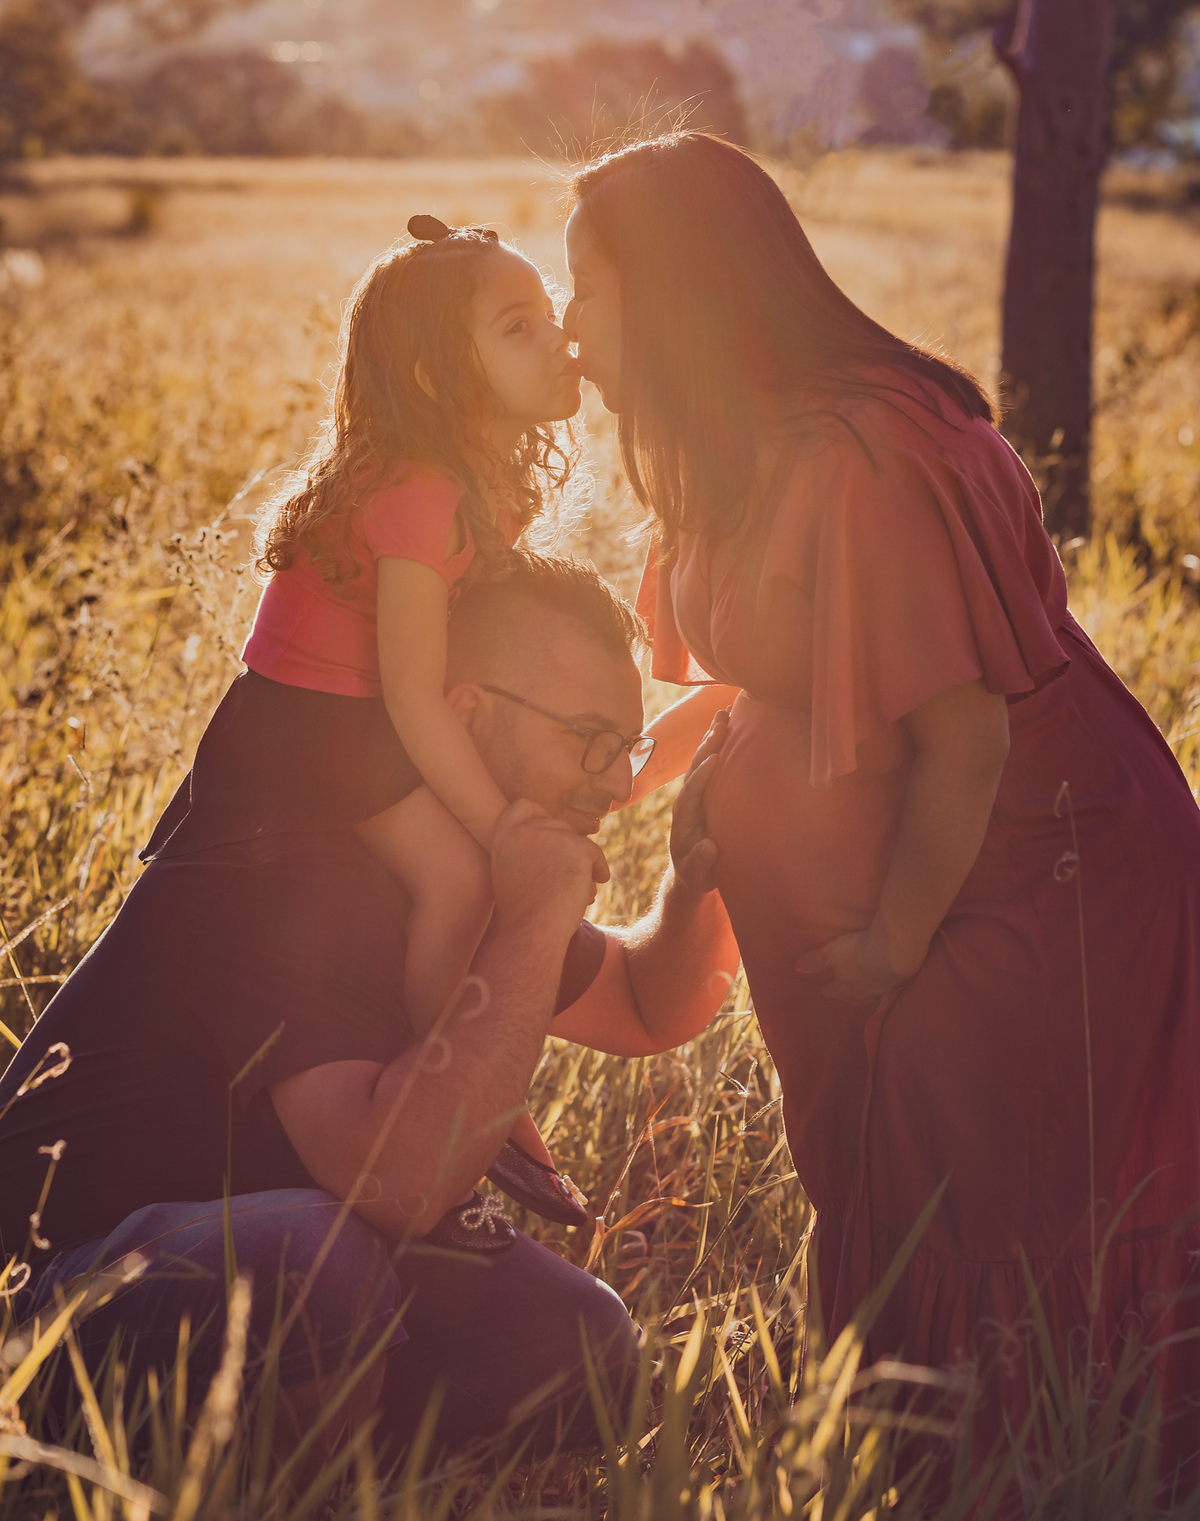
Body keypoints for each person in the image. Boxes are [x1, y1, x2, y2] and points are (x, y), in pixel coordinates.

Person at [564, 130, 1200, 1476]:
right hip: (920, 886)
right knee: (915, 1191)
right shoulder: (742, 444)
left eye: (588, 289)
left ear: (674, 298)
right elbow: (790, 668)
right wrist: (631, 774)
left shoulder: (867, 456)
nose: (569, 326)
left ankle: (1035, 1466)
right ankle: (928, 1456)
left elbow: (962, 735)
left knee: (993, 1202)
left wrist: (892, 945)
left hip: (1022, 875)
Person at [0, 552, 741, 1465]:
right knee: (318, 1265)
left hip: (282, 1254)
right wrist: (537, 920)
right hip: (50, 1282)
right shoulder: (293, 858)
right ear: (463, 712)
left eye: (626, 746)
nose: (615, 783)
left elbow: (645, 1007)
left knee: (585, 1343)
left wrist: (700, 873)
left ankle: (295, 1423)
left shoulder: (464, 862)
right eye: (588, 738)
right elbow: (397, 1184)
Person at [148, 213, 592, 1222]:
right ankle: (447, 1087)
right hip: (305, 732)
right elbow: (410, 697)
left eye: (553, 312)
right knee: (460, 878)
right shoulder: (422, 493)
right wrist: (502, 829)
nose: (561, 337)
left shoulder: (483, 477)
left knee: (460, 872)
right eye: (518, 327)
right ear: (439, 379)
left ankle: (464, 1094)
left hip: (352, 721)